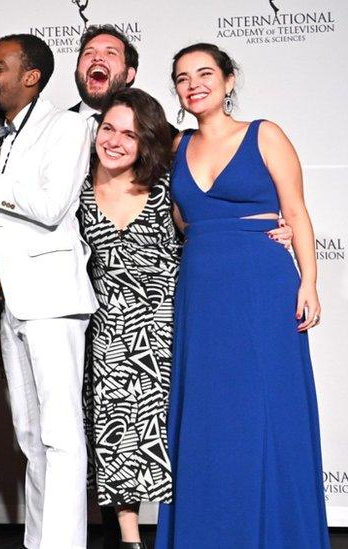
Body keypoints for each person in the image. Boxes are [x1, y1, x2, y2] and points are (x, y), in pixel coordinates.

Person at [156, 43, 328, 548]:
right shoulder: (175, 147)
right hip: (202, 288)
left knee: (266, 407)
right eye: (183, 78)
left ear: (229, 80)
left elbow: (295, 211)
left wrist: (309, 281)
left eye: (205, 73)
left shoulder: (264, 134)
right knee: (208, 412)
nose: (194, 84)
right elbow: (184, 219)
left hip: (261, 284)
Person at [0, 34, 95, 549]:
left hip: (53, 301)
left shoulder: (69, 125)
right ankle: (39, 541)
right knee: (31, 438)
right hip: (12, 302)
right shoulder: (1, 133)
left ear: (31, 76)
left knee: (61, 437)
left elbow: (53, 206)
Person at [77, 89, 177, 549]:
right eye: (109, 128)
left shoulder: (167, 187)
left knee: (175, 432)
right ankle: (130, 540)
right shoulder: (74, 189)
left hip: (169, 328)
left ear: (146, 142)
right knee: (114, 435)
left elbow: (212, 232)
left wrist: (270, 229)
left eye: (130, 134)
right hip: (107, 332)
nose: (115, 140)